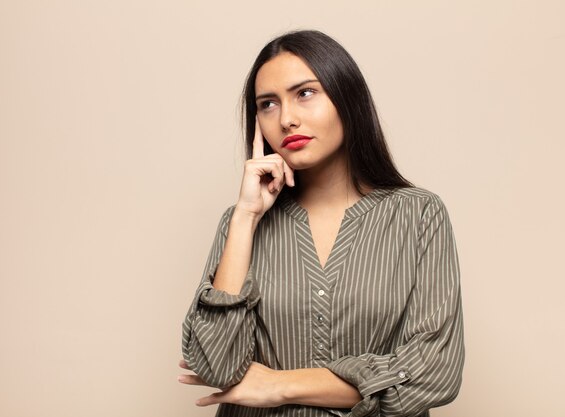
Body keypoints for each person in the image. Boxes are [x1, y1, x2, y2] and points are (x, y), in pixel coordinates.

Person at [178, 29, 464, 417]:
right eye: (267, 104)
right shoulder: (241, 222)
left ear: (347, 99)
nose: (287, 119)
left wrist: (279, 386)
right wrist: (245, 218)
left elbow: (434, 374)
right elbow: (215, 365)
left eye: (305, 93)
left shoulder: (418, 215)